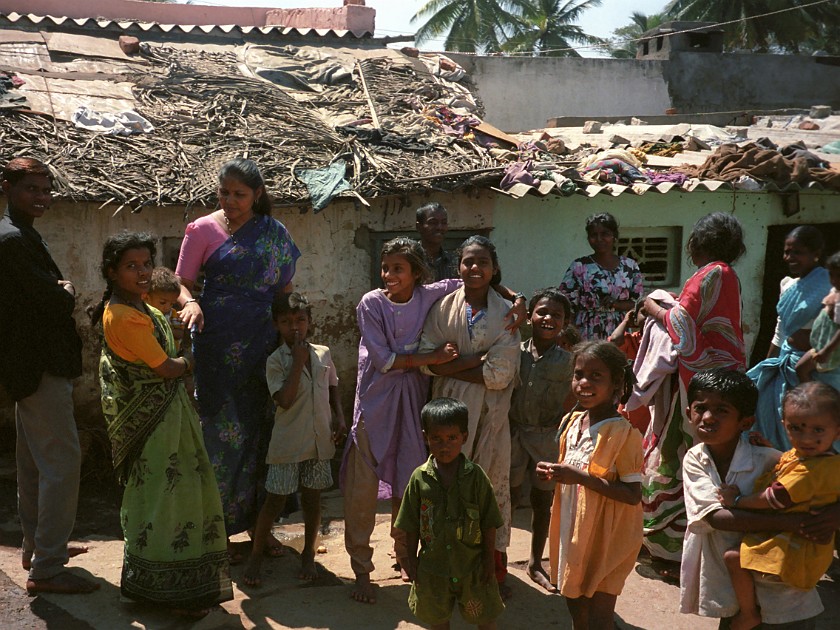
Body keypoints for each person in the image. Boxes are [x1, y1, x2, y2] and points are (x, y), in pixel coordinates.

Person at [342, 236, 525, 604]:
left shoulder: (434, 296)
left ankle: (406, 557)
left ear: (417, 273)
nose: (390, 275)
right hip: (378, 404)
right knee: (363, 489)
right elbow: (392, 360)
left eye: (399, 268)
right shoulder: (376, 303)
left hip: (420, 404)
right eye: (386, 267)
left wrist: (520, 300)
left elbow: (482, 283)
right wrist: (472, 360)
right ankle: (362, 569)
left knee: (408, 484)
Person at [93, 232, 232, 616]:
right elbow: (165, 367)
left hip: (168, 420)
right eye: (130, 266)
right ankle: (176, 594)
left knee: (161, 500)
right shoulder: (123, 316)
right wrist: (190, 362)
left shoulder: (138, 306)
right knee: (170, 500)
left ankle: (150, 588)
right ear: (111, 272)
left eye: (145, 264)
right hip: (156, 426)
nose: (141, 273)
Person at [175, 158, 301, 561]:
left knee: (263, 433)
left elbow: (284, 290)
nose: (230, 201)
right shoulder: (202, 229)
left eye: (240, 194)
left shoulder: (275, 233)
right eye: (224, 192)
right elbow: (182, 283)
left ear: (257, 195)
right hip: (216, 345)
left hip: (262, 346)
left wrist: (291, 336)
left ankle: (261, 531)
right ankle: (218, 533)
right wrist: (190, 303)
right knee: (220, 437)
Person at [0, 158, 95, 595]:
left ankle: (38, 547)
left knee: (34, 462)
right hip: (39, 365)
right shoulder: (13, 241)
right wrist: (67, 290)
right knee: (61, 461)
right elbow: (53, 302)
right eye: (31, 189)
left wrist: (57, 292)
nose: (40, 197)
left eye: (45, 189)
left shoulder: (18, 235)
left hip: (25, 366)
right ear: (8, 188)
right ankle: (49, 567)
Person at [680, 368, 836, 628]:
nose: (707, 418)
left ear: (745, 422)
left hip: (780, 580)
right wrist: (789, 523)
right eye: (700, 408)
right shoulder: (696, 459)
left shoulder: (769, 460)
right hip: (731, 580)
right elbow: (717, 518)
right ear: (688, 413)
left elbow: (820, 486)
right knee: (736, 616)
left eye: (722, 410)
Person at [640, 212, 747, 569]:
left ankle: (673, 544)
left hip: (703, 383)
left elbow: (684, 326)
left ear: (695, 244)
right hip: (723, 378)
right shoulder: (727, 275)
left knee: (683, 451)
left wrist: (653, 308)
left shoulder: (711, 273)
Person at [419, 235, 521, 599]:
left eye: (482, 262)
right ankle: (449, 570)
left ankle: (491, 570)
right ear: (458, 266)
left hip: (491, 416)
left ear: (494, 270)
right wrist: (475, 360)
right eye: (468, 261)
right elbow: (426, 361)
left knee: (490, 487)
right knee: (447, 489)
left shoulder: (506, 312)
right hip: (448, 415)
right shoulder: (442, 307)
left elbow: (500, 375)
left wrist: (451, 366)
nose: (474, 268)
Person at [537, 341, 642, 629]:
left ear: (616, 383)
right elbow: (572, 470)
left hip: (607, 539)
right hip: (573, 530)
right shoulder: (573, 422)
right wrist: (552, 472)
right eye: (579, 374)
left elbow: (633, 495)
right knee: (575, 599)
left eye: (596, 376)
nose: (584, 383)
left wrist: (580, 478)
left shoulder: (624, 434)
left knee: (599, 614)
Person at [718, 383, 840, 630]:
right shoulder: (815, 457)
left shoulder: (812, 470)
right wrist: (771, 449)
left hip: (794, 543)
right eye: (796, 428)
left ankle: (749, 613)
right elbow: (789, 462)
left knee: (733, 558)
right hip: (797, 536)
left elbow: (774, 498)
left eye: (818, 430)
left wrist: (737, 501)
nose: (806, 438)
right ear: (784, 424)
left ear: (837, 431)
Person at [243, 292, 345, 587]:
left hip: (318, 441)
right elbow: (285, 400)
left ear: (310, 322)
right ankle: (256, 557)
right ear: (276, 325)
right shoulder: (276, 361)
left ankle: (308, 555)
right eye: (287, 322)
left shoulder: (324, 353)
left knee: (313, 500)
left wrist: (339, 415)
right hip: (288, 444)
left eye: (300, 320)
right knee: (274, 501)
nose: (295, 327)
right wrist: (298, 363)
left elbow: (333, 385)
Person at [394, 397, 505, 630]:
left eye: (452, 438)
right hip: (433, 568)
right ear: (426, 437)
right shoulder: (419, 479)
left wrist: (488, 561)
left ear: (464, 437)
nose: (445, 446)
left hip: (472, 567)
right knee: (437, 619)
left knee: (485, 617)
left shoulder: (476, 477)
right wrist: (410, 560)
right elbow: (410, 524)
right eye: (437, 439)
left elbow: (489, 523)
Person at [508, 288, 574, 592]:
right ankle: (498, 563)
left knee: (542, 500)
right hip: (513, 434)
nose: (548, 319)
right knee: (506, 497)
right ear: (529, 316)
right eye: (542, 312)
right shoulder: (514, 351)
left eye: (556, 315)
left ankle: (535, 562)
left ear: (564, 323)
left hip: (547, 438)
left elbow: (577, 399)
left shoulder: (569, 362)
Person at [748, 226, 831, 451]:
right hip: (786, 364)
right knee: (776, 420)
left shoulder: (830, 287)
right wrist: (767, 365)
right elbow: (780, 331)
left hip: (819, 369)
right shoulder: (788, 286)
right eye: (787, 252)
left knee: (818, 422)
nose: (790, 258)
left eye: (798, 252)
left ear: (816, 253)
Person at [560, 212, 644, 340]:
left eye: (605, 234)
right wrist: (568, 336)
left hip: (620, 331)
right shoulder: (579, 267)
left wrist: (616, 304)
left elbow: (638, 303)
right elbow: (566, 304)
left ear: (614, 236)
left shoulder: (630, 266)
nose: (599, 239)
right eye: (594, 235)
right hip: (586, 330)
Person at [796, 251, 840, 389]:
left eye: (838, 276)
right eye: (831, 275)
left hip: (829, 349)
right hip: (822, 345)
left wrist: (826, 351)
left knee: (801, 369)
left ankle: (812, 396)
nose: (834, 280)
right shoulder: (835, 291)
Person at [415, 202, 458, 281]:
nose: (439, 227)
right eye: (433, 223)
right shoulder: (409, 260)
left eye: (444, 223)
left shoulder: (454, 263)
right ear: (419, 227)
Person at [143, 266, 185, 341]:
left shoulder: (172, 314)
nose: (167, 307)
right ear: (146, 297)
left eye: (172, 304)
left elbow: (180, 333)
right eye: (163, 302)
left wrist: (167, 330)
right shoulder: (142, 313)